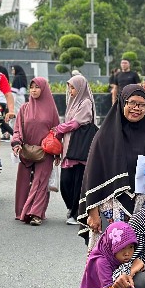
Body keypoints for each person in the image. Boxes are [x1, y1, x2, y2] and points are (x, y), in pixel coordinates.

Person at [78, 85, 145, 248]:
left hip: (142, 209)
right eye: (132, 103)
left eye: (142, 104)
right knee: (108, 261)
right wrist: (92, 212)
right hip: (110, 208)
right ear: (122, 103)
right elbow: (92, 175)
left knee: (139, 261)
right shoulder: (104, 136)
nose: (136, 108)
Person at [11, 77, 58, 226]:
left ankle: (35, 214)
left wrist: (57, 152)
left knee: (40, 183)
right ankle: (22, 211)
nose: (34, 90)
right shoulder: (24, 108)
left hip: (46, 151)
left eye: (37, 87)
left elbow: (57, 131)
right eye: (31, 87)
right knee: (23, 182)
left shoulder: (51, 109)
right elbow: (17, 128)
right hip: (26, 150)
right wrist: (16, 143)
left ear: (43, 89)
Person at [54, 75, 95, 225]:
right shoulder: (72, 103)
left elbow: (76, 123)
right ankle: (72, 209)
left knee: (77, 183)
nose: (70, 90)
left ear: (81, 88)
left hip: (79, 149)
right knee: (66, 183)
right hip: (68, 148)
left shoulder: (85, 102)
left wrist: (58, 128)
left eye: (73, 87)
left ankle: (75, 213)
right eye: (70, 87)